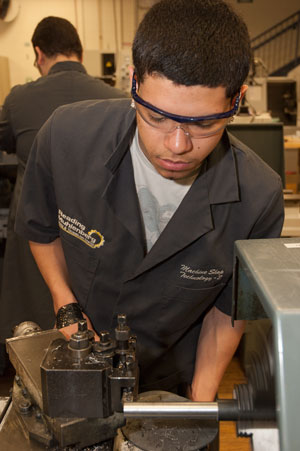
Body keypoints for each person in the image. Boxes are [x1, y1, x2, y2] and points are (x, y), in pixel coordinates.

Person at [15, 0, 284, 401]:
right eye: (157, 117)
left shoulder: (259, 197)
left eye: (204, 124)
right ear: (134, 81)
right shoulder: (65, 138)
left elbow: (229, 312)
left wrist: (199, 403)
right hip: (68, 365)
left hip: (167, 379)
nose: (177, 146)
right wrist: (63, 299)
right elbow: (40, 228)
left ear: (237, 100)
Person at [0, 16, 126, 352]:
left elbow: (6, 142)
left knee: (30, 330)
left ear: (38, 54)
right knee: (93, 337)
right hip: (92, 234)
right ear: (80, 54)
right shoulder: (117, 99)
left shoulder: (18, 99)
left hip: (34, 231)